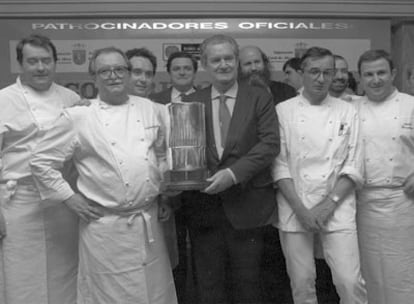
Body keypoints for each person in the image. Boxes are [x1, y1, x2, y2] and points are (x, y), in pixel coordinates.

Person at [30, 46, 177, 304]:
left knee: (154, 294)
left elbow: (161, 156)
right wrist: (69, 198)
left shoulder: (151, 109)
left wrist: (163, 195)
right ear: (94, 77)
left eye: (119, 69)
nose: (113, 76)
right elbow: (41, 161)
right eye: (104, 71)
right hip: (105, 229)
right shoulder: (79, 116)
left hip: (148, 222)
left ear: (128, 73)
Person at [183, 34, 279, 304]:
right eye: (216, 59)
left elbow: (270, 144)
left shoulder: (259, 97)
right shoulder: (192, 102)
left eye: (228, 58)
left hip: (248, 207)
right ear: (205, 64)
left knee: (248, 285)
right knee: (209, 285)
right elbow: (185, 151)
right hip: (204, 208)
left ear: (237, 61)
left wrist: (233, 174)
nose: (223, 64)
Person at [272, 46, 367, 304]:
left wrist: (327, 206)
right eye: (314, 72)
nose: (321, 78)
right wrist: (302, 209)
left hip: (337, 205)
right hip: (295, 206)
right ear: (302, 73)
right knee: (302, 283)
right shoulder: (283, 110)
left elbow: (354, 163)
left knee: (349, 282)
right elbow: (279, 164)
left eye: (327, 72)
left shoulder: (347, 111)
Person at [0, 34, 80, 304]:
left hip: (62, 202)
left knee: (65, 270)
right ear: (21, 64)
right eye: (32, 61)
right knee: (21, 272)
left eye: (46, 61)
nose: (40, 67)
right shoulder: (4, 100)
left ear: (55, 63)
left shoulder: (71, 98)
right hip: (19, 201)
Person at [356, 49, 414, 304]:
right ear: (360, 78)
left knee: (403, 271)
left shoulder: (411, 105)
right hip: (363, 203)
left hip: (403, 203)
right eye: (368, 74)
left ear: (393, 73)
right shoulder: (351, 108)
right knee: (369, 273)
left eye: (381, 73)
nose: (375, 80)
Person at [238, 44, 295, 302]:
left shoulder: (286, 92)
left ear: (265, 64)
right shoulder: (236, 95)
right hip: (251, 190)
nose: (253, 69)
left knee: (283, 259)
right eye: (247, 64)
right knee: (251, 262)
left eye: (256, 62)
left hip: (288, 187)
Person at [150, 51, 199, 304]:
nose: (181, 72)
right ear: (169, 72)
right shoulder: (154, 101)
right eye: (176, 68)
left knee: (200, 251)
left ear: (194, 72)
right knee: (172, 251)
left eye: (187, 68)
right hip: (167, 189)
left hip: (199, 189)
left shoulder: (205, 99)